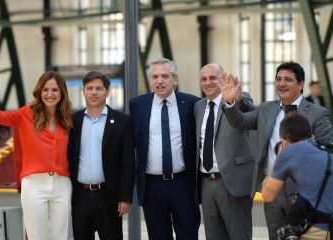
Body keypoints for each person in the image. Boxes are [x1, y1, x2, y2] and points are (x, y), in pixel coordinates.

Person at [221, 61, 333, 239]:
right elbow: (240, 121)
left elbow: (329, 148)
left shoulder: (317, 113)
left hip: (304, 192)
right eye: (278, 79)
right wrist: (229, 102)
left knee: (304, 236)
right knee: (275, 236)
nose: (281, 83)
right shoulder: (266, 108)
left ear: (301, 84)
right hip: (272, 188)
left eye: (288, 79)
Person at [0, 67, 73, 240]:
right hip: (34, 185)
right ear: (39, 92)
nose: (50, 94)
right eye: (45, 89)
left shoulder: (66, 119)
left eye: (54, 90)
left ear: (62, 93)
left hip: (62, 184)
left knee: (62, 236)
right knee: (37, 236)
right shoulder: (26, 114)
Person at [129, 58, 200, 240]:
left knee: (188, 234)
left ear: (174, 78)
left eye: (164, 76)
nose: (159, 81)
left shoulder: (192, 104)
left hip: (183, 183)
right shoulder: (137, 105)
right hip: (152, 186)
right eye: (154, 77)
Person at [67, 71, 134, 240]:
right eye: (89, 88)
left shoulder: (122, 121)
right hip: (80, 196)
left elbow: (127, 163)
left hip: (108, 196)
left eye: (98, 88)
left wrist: (125, 197)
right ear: (83, 92)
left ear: (108, 91)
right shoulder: (72, 121)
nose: (94, 92)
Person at [194, 63, 255, 240]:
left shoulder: (238, 99)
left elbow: (250, 117)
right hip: (206, 183)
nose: (208, 82)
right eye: (204, 79)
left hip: (233, 181)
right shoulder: (198, 107)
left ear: (222, 78)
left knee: (239, 235)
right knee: (213, 236)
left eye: (212, 78)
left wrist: (235, 101)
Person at [262, 112, 332, 240]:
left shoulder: (289, 152)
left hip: (316, 231)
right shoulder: (326, 149)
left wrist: (278, 158)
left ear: (284, 140)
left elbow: (267, 195)